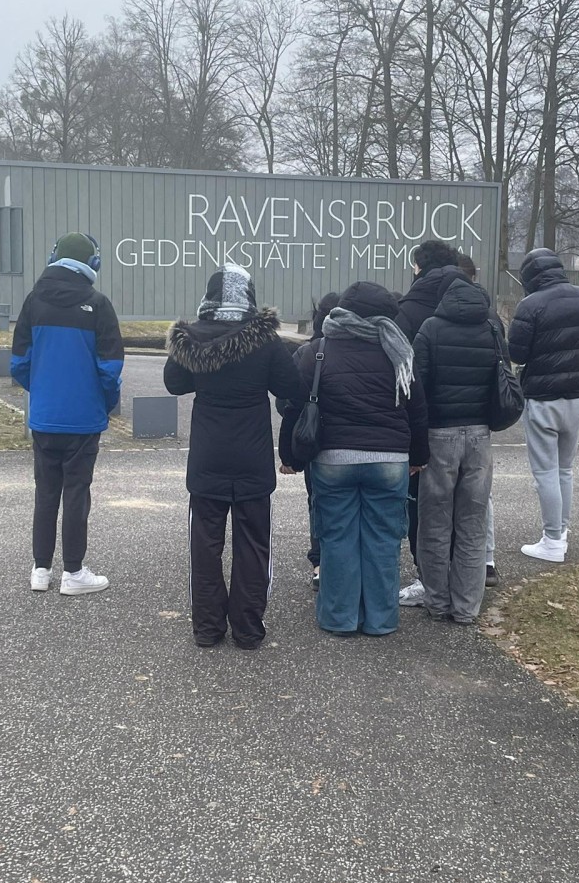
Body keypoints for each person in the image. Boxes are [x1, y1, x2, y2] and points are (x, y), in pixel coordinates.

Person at [164, 264, 303, 650]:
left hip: (207, 455)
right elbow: (292, 386)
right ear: (249, 296)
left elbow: (174, 383)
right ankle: (248, 628)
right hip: (252, 455)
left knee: (205, 544)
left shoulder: (190, 337)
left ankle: (208, 628)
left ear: (209, 295)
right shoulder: (265, 340)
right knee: (254, 542)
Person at [281, 281, 429, 636]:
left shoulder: (317, 351)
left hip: (333, 460)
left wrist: (291, 457)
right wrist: (418, 456)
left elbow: (294, 407)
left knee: (337, 538)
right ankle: (381, 620)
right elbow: (418, 411)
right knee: (383, 540)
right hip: (389, 460)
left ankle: (339, 618)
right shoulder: (399, 351)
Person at [11, 232, 123, 595]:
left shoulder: (33, 302)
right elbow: (110, 369)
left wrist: (44, 391)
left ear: (54, 258)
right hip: (84, 419)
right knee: (77, 492)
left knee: (45, 492)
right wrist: (104, 401)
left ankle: (40, 570)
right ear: (93, 264)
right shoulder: (99, 305)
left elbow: (19, 363)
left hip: (45, 417)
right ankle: (73, 573)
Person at [508, 248, 579, 561]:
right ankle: (561, 533)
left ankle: (552, 541)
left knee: (546, 472)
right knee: (565, 469)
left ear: (529, 277)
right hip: (577, 396)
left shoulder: (530, 305)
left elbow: (517, 353)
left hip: (542, 397)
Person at [412, 275, 501, 624]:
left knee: (434, 524)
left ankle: (437, 602)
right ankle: (466, 608)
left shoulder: (430, 329)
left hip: (440, 434)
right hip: (480, 435)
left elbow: (417, 386)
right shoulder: (492, 327)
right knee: (472, 523)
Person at [394, 240, 470, 607]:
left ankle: (428, 581)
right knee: (467, 510)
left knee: (422, 508)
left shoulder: (408, 310)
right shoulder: (479, 305)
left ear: (418, 267)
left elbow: (400, 372)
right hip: (475, 424)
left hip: (427, 422)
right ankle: (465, 585)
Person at [277, 292, 340, 590]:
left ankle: (320, 563)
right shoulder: (364, 349)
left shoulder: (307, 353)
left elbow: (286, 403)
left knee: (317, 501)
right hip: (351, 440)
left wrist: (289, 455)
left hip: (314, 442)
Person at [457, 253, 501, 588]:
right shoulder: (491, 317)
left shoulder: (435, 317)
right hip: (481, 419)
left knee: (440, 500)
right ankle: (485, 561)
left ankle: (444, 571)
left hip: (444, 421)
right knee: (479, 495)